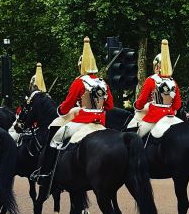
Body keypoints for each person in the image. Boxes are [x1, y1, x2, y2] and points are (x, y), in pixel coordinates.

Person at [34, 37, 113, 179]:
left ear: (81, 66)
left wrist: (60, 111)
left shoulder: (79, 82)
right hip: (100, 121)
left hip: (82, 121)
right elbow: (110, 105)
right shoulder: (103, 83)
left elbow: (68, 105)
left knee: (55, 139)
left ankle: (47, 172)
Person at [132, 39, 181, 137]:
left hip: (154, 117)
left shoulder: (151, 80)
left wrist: (137, 106)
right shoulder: (173, 82)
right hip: (170, 115)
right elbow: (177, 105)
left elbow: (141, 101)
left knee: (138, 137)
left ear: (157, 66)